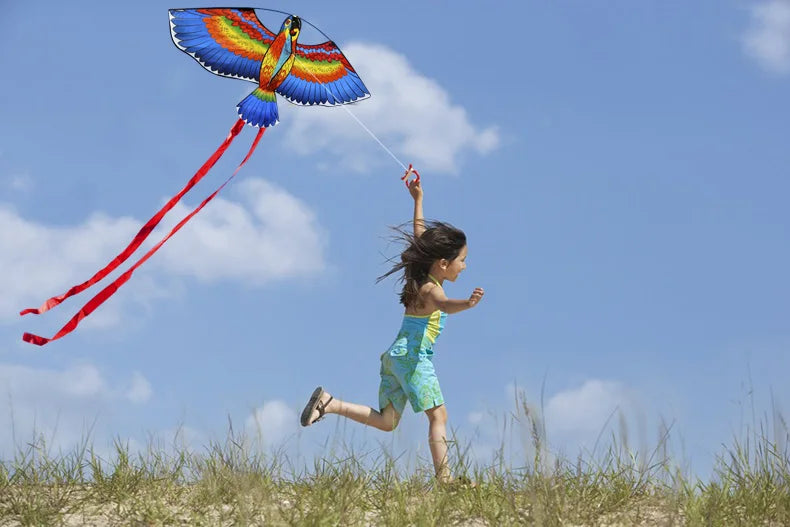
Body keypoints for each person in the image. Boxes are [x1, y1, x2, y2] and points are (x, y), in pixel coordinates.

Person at [299, 174, 485, 483]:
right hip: (413, 359)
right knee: (438, 416)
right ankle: (446, 481)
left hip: (394, 358)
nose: (464, 266)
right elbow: (444, 305)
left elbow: (419, 237)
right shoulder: (431, 290)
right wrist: (468, 303)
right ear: (442, 263)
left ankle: (330, 403)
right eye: (462, 260)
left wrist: (418, 200)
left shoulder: (421, 276)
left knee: (388, 422)